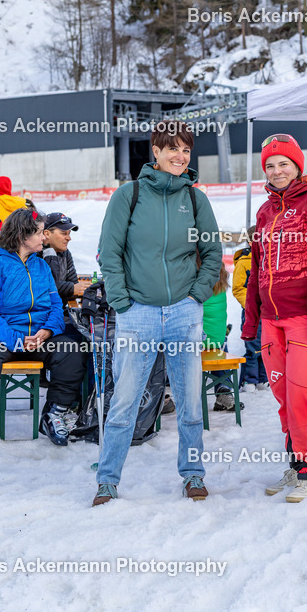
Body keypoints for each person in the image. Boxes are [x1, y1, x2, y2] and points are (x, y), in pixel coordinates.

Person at [92, 121, 222, 506]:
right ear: (156, 151)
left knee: (189, 402)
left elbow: (212, 252)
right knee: (125, 401)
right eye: (173, 149)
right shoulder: (128, 196)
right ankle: (107, 479)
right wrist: (122, 302)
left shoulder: (196, 200)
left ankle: (193, 474)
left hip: (184, 313)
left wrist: (196, 297)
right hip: (138, 314)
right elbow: (109, 253)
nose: (180, 157)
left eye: (186, 150)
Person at [242, 134, 307, 503]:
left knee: (304, 393)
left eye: (283, 163)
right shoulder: (265, 212)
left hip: (304, 317)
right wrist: (252, 320)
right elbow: (257, 269)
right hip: (272, 319)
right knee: (284, 395)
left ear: (297, 165)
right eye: (270, 165)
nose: (276, 170)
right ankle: (298, 465)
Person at [0, 208, 88, 453]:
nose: (43, 237)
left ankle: (54, 413)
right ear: (21, 236)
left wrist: (48, 331)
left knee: (73, 351)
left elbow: (55, 307)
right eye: (39, 233)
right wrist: (18, 340)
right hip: (3, 336)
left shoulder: (41, 267)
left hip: (39, 338)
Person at [203, 260, 243, 412]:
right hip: (217, 341)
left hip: (194, 344)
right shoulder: (220, 283)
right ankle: (224, 390)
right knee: (220, 347)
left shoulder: (192, 284)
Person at [233, 227, 268, 390]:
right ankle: (250, 380)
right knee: (253, 345)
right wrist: (251, 305)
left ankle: (262, 377)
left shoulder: (268, 259)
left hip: (268, 311)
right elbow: (238, 288)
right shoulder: (243, 262)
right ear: (249, 242)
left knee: (266, 345)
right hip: (251, 313)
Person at [41, 212, 88, 326]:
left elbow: (74, 284)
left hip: (57, 312)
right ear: (47, 233)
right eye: (63, 233)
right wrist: (70, 288)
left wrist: (74, 288)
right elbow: (45, 287)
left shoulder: (65, 253)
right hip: (41, 317)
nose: (69, 238)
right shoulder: (36, 253)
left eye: (69, 233)